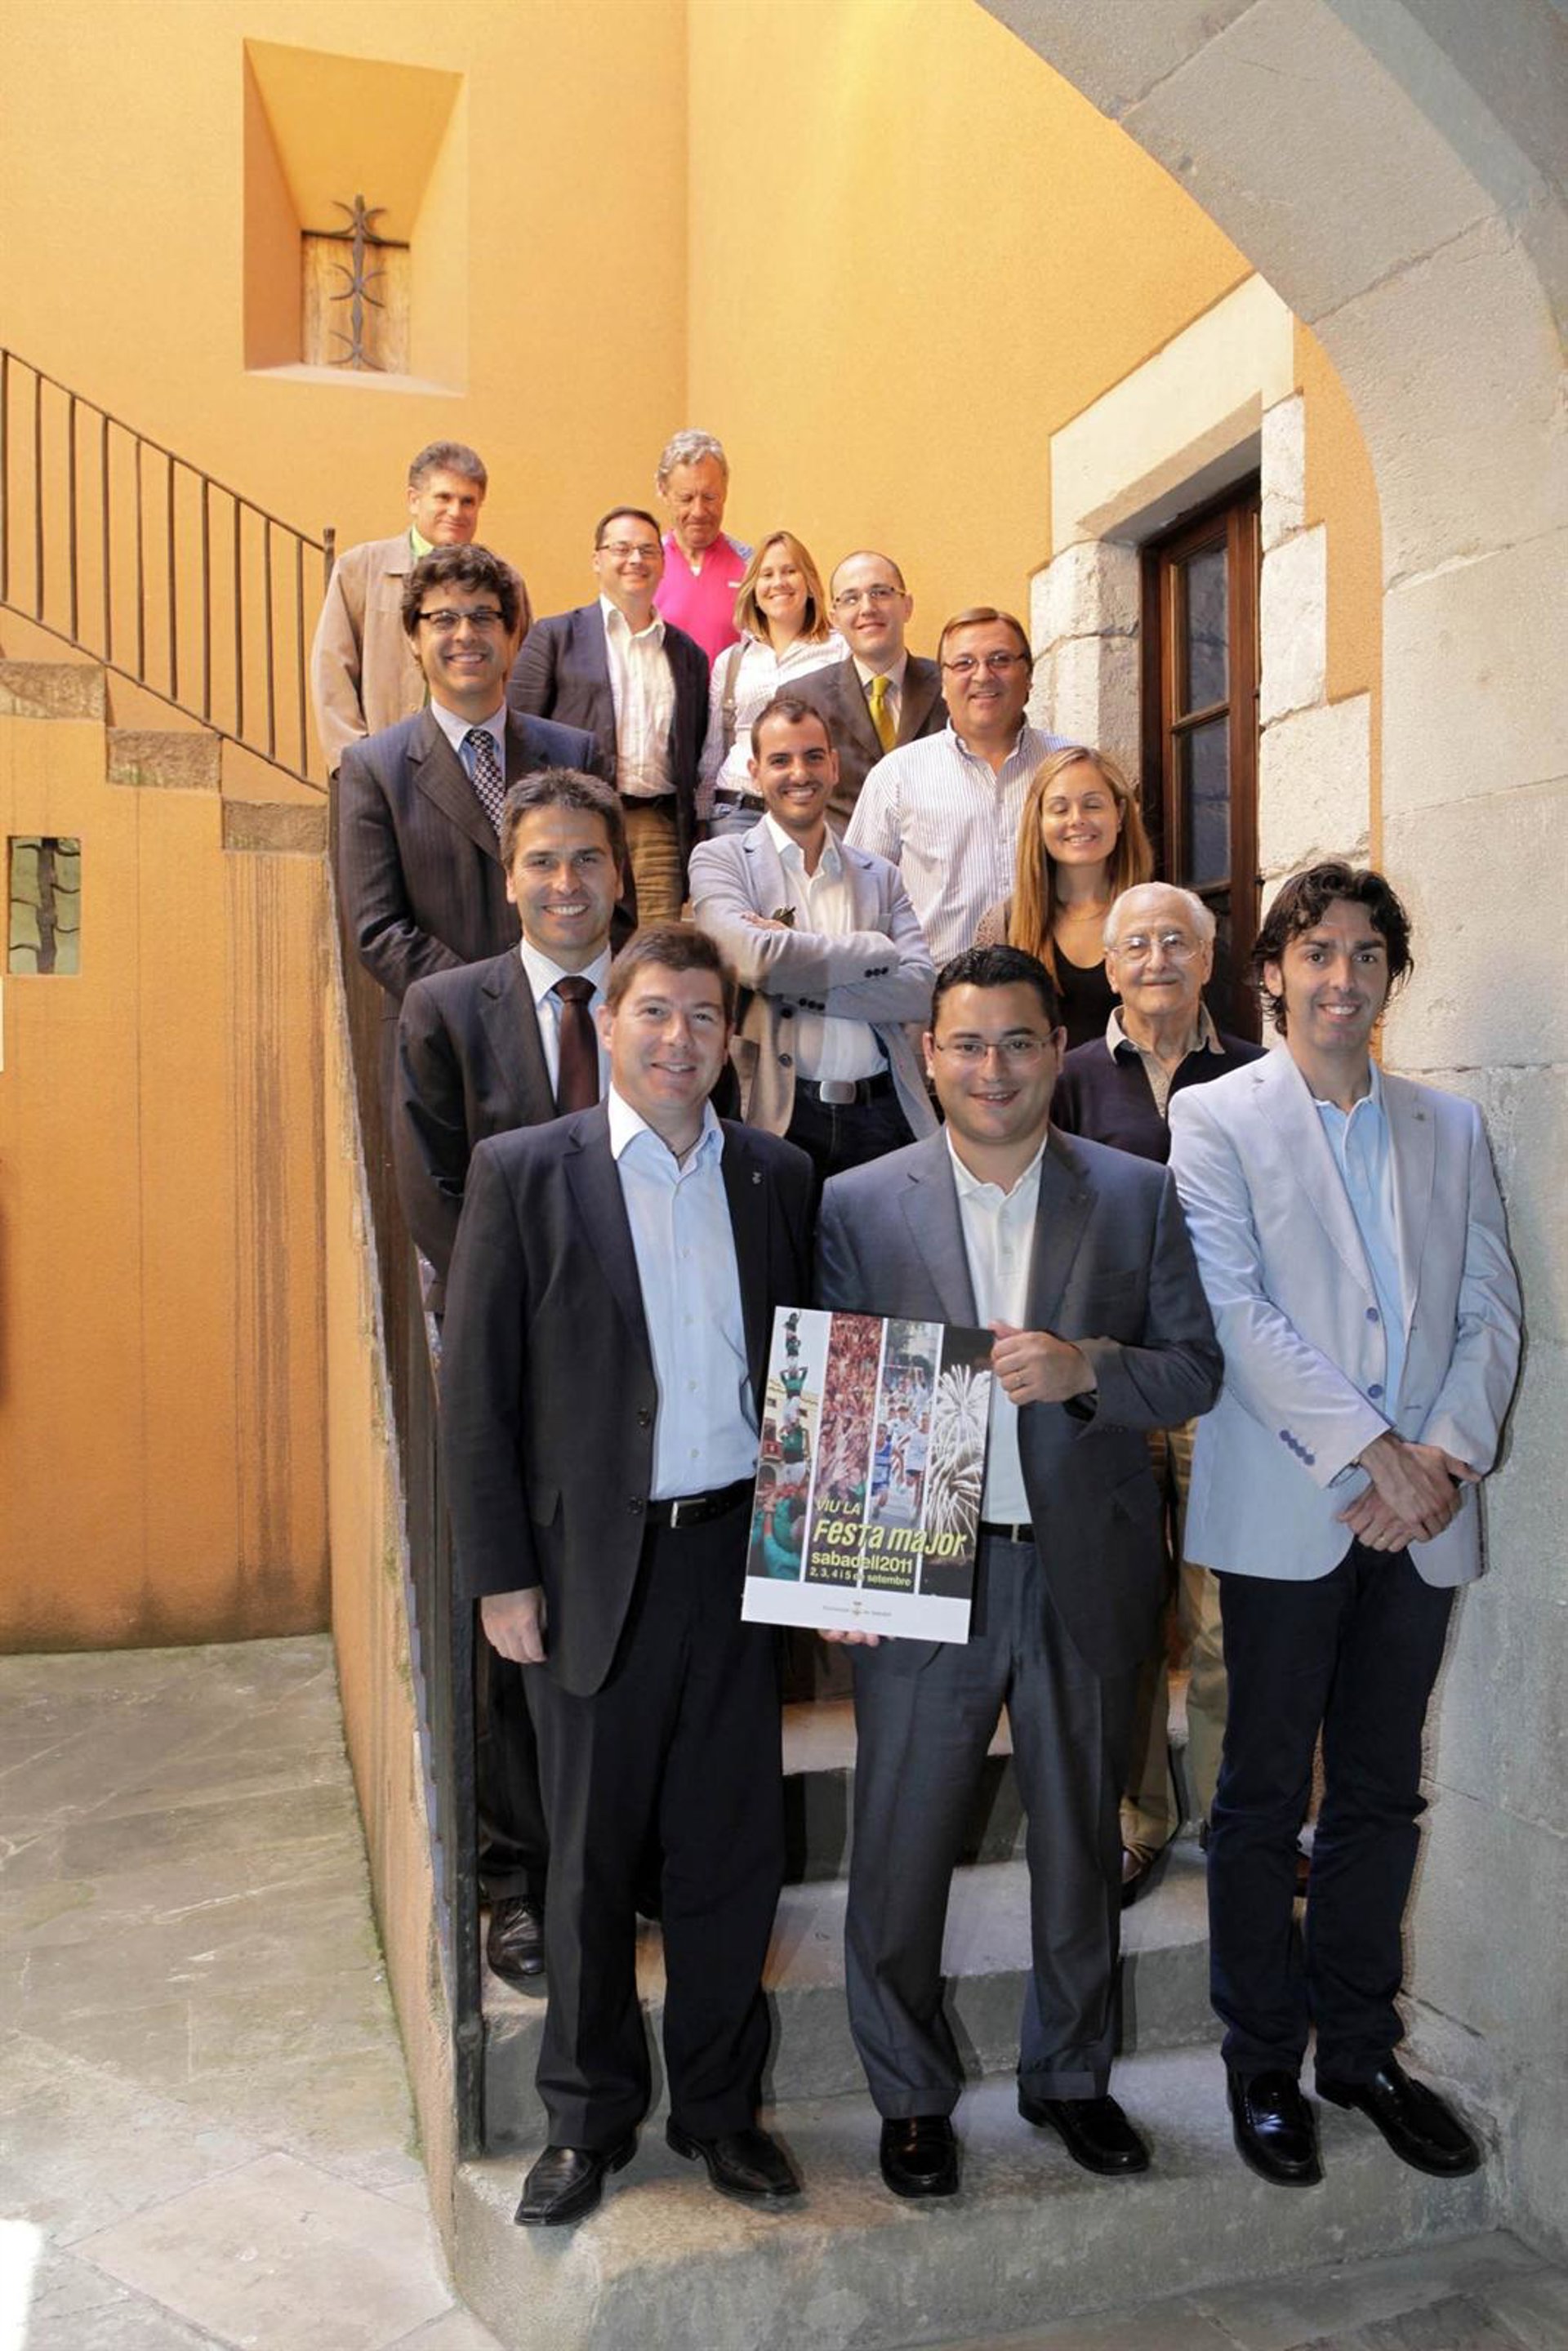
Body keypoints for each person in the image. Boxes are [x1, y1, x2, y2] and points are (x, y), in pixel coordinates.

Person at [817, 944, 1222, 2199]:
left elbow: (1195, 1366)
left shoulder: (1136, 1192)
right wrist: (843, 1578)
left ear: (1058, 1049)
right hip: (920, 1560)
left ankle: (1070, 2074)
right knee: (899, 1846)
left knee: (1079, 1846)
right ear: (928, 1053)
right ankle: (910, 2094)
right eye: (968, 1042)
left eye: (1018, 1041)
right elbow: (839, 1392)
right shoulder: (859, 1201)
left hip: (1081, 1564)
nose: (993, 1066)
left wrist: (1089, 1365)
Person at [439, 925, 814, 2226]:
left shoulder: (776, 1174)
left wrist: (831, 1562)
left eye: (704, 1016)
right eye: (654, 1012)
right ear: (609, 1023)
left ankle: (720, 2108)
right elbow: (477, 1395)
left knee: (731, 1856)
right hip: (592, 1568)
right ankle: (586, 2119)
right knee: (588, 1863)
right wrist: (500, 1575)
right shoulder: (524, 1171)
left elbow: (809, 1368)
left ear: (730, 1037)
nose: (678, 1038)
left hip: (737, 1559)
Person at [1169, 863, 1521, 2191]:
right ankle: (1263, 2054)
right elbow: (1235, 1306)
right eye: (1317, 951)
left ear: (1390, 975)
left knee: (1381, 1787)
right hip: (1290, 1502)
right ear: (1272, 971)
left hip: (1419, 1511)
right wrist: (1373, 1451)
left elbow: (1490, 1308)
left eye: (1368, 954)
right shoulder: (1216, 1115)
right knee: (1263, 1792)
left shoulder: (1449, 1123)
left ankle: (1362, 2048)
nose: (1342, 976)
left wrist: (1438, 1458)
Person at [1052, 883, 1264, 1900]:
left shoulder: (1259, 1073)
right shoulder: (1071, 1076)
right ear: (1107, 964)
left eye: (1176, 940)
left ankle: (1236, 1819)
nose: (1156, 959)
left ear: (1209, 957)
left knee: (1225, 1620)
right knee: (1126, 1615)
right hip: (1111, 1378)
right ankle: (1136, 1818)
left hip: (1223, 1380)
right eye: (1134, 943)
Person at [333, 545, 608, 1100]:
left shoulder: (575, 754)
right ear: (414, 638)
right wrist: (495, 1004)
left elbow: (612, 900)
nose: (465, 634)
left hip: (571, 1037)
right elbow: (378, 929)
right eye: (443, 619)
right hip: (443, 1043)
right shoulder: (374, 769)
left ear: (512, 635)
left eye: (484, 616)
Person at [393, 768, 625, 1313]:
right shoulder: (443, 1012)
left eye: (588, 859)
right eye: (541, 862)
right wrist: (517, 1307)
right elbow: (433, 1194)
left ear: (619, 875)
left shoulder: (673, 1008)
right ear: (510, 880)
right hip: (502, 1317)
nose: (567, 882)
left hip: (650, 1316)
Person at [688, 694, 936, 1191]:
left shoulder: (881, 875)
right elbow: (756, 959)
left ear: (834, 766)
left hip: (883, 1115)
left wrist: (793, 971)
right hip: (781, 1114)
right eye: (781, 760)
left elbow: (917, 990)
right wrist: (874, 950)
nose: (799, 773)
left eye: (813, 756)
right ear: (756, 772)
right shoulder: (720, 860)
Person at [506, 507, 708, 924]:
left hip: (655, 832)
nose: (635, 559)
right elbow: (517, 733)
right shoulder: (555, 637)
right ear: (597, 560)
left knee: (651, 950)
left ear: (663, 564)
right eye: (622, 549)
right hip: (571, 824)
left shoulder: (688, 654)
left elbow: (697, 746)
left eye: (647, 550)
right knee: (574, 932)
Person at [845, 608, 1071, 964]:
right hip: (937, 987)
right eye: (964, 664)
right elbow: (858, 898)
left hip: (1055, 982)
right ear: (943, 684)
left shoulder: (1070, 766)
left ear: (1028, 676)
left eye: (1000, 660)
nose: (982, 675)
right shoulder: (897, 776)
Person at [311, 442, 522, 777]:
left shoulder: (505, 581)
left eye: (468, 501)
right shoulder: (361, 569)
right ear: (414, 499)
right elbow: (332, 670)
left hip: (476, 766)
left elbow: (517, 670)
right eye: (444, 498)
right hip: (383, 766)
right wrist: (352, 763)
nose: (456, 511)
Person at [975, 746, 1153, 1049]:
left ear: (1120, 815)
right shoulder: (1004, 924)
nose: (1077, 819)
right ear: (1039, 821)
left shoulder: (1160, 915)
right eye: (1060, 809)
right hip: (1041, 1082)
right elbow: (984, 1034)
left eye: (1092, 805)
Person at [698, 532, 846, 837]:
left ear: (809, 583)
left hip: (811, 807)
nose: (779, 582)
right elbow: (714, 748)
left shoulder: (840, 650)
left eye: (790, 571)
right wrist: (701, 818)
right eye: (767, 575)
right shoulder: (733, 660)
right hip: (738, 808)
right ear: (753, 589)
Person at [792, 551, 947, 830]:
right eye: (851, 598)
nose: (867, 608)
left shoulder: (949, 686)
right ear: (835, 618)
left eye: (880, 593)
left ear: (907, 606)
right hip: (842, 854)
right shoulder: (802, 699)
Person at [652, 429, 751, 663]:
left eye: (709, 497)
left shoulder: (753, 566)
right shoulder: (645, 566)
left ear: (725, 492)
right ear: (664, 493)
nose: (698, 511)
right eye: (686, 498)